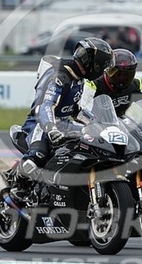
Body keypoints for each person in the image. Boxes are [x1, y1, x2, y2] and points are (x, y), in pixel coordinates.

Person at [12, 37, 115, 198]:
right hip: (40, 124)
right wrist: (51, 128)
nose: (103, 71)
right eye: (102, 66)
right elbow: (46, 105)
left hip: (64, 124)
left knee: (95, 143)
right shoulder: (60, 76)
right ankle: (18, 185)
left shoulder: (79, 78)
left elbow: (76, 110)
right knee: (38, 156)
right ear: (94, 64)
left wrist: (100, 124)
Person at [80, 48, 142, 119]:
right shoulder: (93, 85)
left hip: (123, 126)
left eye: (127, 75)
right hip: (97, 127)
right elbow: (83, 112)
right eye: (118, 74)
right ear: (109, 70)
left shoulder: (137, 84)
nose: (122, 78)